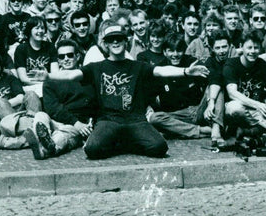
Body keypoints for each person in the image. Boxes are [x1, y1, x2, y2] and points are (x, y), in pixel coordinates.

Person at [47, 23, 209, 159]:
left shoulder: (137, 66)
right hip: (108, 120)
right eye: (111, 40)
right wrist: (47, 75)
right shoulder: (96, 67)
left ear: (126, 41)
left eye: (119, 39)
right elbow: (71, 74)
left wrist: (186, 71)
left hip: (135, 120)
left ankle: (123, 142)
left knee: (159, 147)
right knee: (92, 149)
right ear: (106, 44)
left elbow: (161, 71)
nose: (116, 43)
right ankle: (123, 142)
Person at [26, 38, 96, 159]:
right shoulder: (51, 80)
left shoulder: (87, 78)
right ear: (58, 60)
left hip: (75, 126)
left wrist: (80, 124)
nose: (66, 59)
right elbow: (53, 108)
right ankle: (44, 141)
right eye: (62, 57)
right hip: (57, 121)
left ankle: (45, 148)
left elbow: (91, 105)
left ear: (77, 56)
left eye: (70, 55)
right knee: (40, 116)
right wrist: (75, 122)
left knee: (62, 136)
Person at [0, 50, 43, 149]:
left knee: (31, 94)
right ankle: (35, 131)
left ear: (1, 67)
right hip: (1, 121)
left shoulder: (10, 79)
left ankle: (25, 135)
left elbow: (21, 97)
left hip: (21, 113)